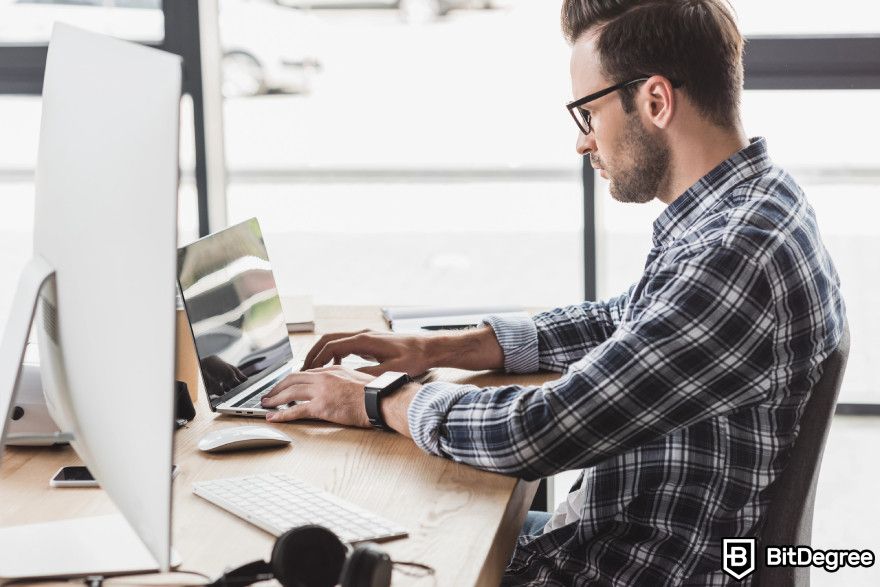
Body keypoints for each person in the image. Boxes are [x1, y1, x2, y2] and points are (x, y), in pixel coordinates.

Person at [259, 0, 846, 584]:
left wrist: (373, 400)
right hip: (621, 537)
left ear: (656, 102)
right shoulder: (753, 204)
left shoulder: (732, 256)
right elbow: (621, 321)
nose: (583, 143)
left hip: (625, 566)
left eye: (587, 115)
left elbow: (535, 431)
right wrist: (438, 350)